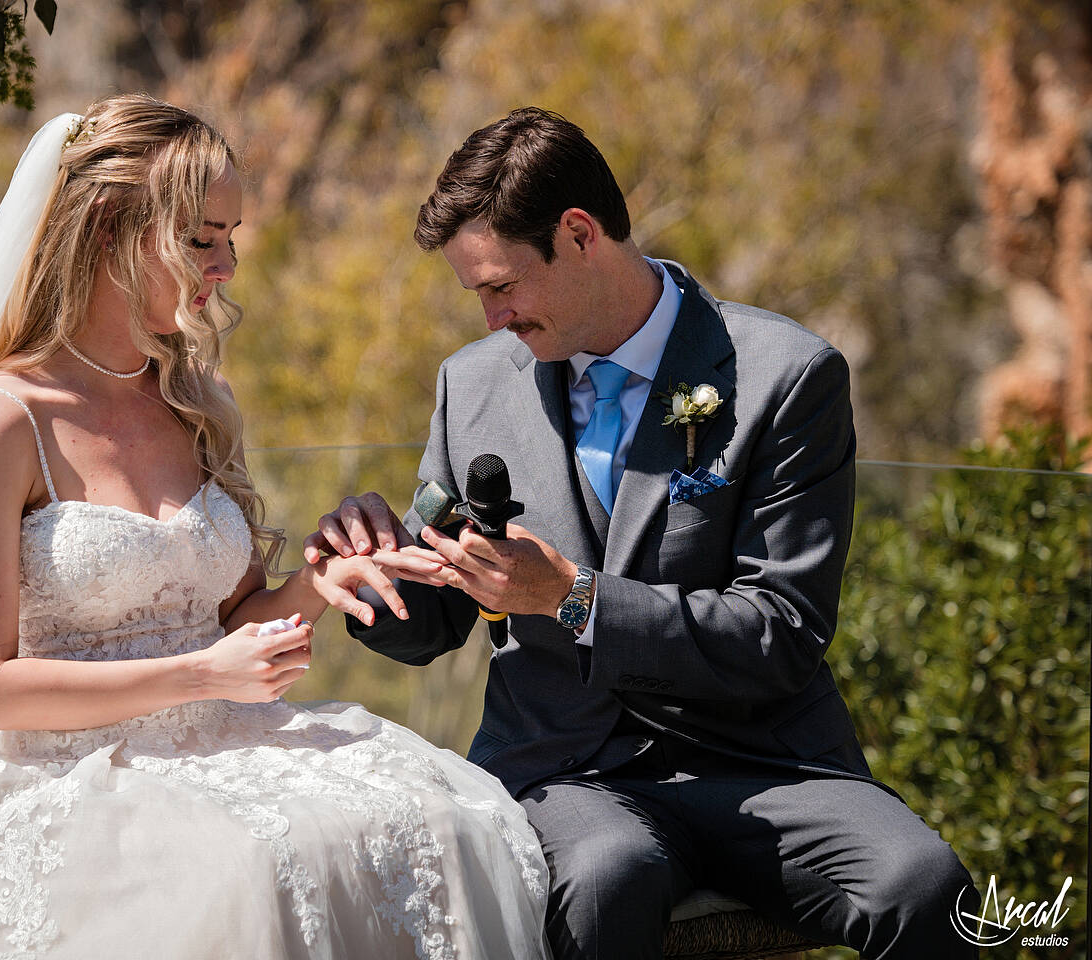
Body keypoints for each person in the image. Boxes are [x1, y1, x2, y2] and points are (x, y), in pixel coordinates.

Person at [0, 95, 549, 960]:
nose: (227, 264)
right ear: (107, 229)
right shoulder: (0, 422)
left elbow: (233, 623)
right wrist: (205, 674)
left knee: (440, 816)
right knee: (250, 869)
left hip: (222, 741)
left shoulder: (197, 403)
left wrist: (316, 586)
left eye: (231, 236)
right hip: (71, 778)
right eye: (203, 237)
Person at [307, 106, 976, 959]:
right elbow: (437, 620)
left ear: (579, 234)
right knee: (606, 875)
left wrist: (576, 601)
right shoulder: (472, 386)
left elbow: (780, 634)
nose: (490, 319)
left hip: (760, 764)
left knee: (926, 886)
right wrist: (366, 576)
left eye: (502, 285)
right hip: (564, 771)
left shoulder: (786, 375)